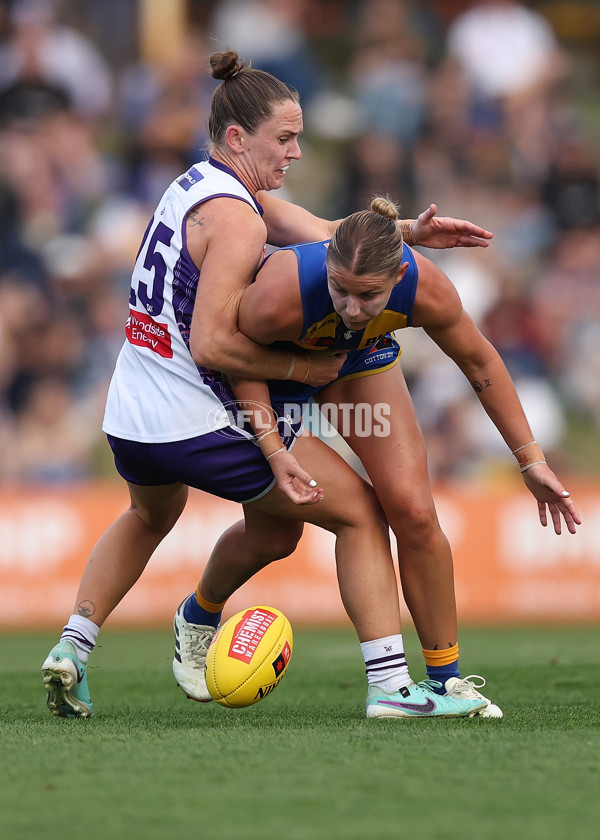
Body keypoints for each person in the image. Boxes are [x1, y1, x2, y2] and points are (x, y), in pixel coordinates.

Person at [41, 49, 494, 720]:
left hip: (132, 414)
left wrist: (403, 233)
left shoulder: (199, 186)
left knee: (169, 518)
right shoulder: (240, 218)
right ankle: (393, 689)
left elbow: (323, 234)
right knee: (360, 514)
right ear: (236, 137)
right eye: (284, 138)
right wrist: (300, 372)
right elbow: (214, 344)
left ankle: (74, 648)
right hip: (195, 416)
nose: (297, 151)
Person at [173, 195, 581, 717]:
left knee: (412, 510)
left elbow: (479, 361)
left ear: (396, 279)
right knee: (274, 535)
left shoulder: (423, 285)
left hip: (356, 361)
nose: (350, 307)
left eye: (368, 297)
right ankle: (200, 611)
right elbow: (235, 358)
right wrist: (274, 447)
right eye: (340, 289)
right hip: (274, 369)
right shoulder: (279, 294)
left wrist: (530, 460)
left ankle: (444, 683)